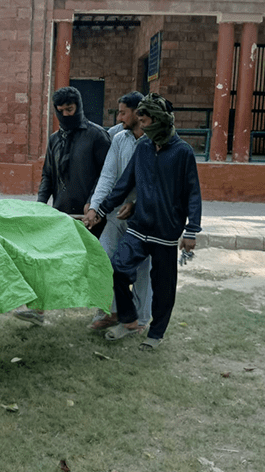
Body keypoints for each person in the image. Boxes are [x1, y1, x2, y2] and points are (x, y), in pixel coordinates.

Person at [85, 93, 201, 350]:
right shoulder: (144, 148)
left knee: (163, 287)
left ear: (159, 120)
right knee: (116, 267)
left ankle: (155, 334)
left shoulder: (183, 153)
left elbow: (192, 193)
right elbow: (123, 183)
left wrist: (191, 230)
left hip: (166, 233)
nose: (143, 126)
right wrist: (100, 210)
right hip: (138, 228)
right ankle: (128, 317)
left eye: (146, 121)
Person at [14, 86, 111, 325]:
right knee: (44, 259)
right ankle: (38, 310)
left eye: (71, 109)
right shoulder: (54, 140)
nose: (66, 115)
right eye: (61, 111)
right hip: (61, 213)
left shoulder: (97, 136)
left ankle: (104, 310)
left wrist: (94, 205)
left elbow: (106, 175)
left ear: (79, 106)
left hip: (92, 215)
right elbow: (48, 175)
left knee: (96, 263)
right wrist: (40, 205)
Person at [83, 91, 152, 332]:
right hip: (115, 215)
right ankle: (110, 311)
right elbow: (108, 176)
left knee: (143, 268)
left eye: (123, 112)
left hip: (145, 217)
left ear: (137, 112)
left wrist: (136, 205)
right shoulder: (120, 139)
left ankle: (141, 319)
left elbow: (158, 184)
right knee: (103, 259)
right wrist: (95, 208)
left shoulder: (155, 141)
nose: (120, 117)